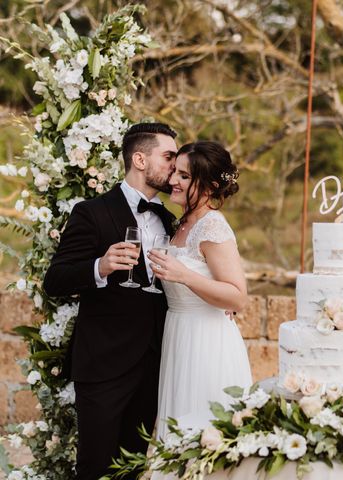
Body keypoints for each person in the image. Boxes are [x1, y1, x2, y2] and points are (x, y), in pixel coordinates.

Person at [42, 122, 178, 480]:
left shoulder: (169, 219)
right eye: (168, 157)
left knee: (132, 468)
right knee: (95, 466)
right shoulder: (92, 212)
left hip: (152, 362)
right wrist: (99, 266)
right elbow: (54, 280)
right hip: (104, 364)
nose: (174, 166)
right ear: (139, 159)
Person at [147, 140, 252, 442]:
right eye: (175, 173)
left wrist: (185, 275)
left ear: (210, 185)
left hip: (207, 341)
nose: (172, 182)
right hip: (177, 334)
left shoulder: (212, 227)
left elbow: (238, 297)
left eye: (184, 176)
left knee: (204, 433)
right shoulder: (181, 223)